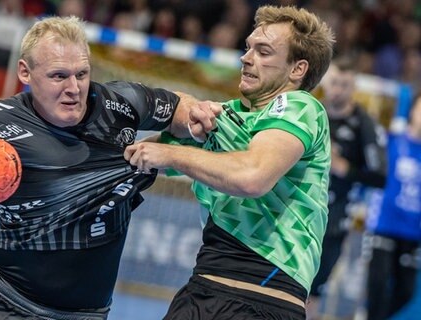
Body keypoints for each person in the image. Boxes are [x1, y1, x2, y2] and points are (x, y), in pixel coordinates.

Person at [0, 16, 217, 320]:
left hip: (81, 316)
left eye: (81, 74)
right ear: (25, 73)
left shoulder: (122, 103)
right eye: (58, 76)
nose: (73, 88)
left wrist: (195, 117)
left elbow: (178, 107)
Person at [124, 5, 335, 319]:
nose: (246, 58)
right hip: (201, 288)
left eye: (263, 52)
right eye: (248, 48)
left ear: (297, 69)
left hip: (263, 298)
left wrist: (172, 154)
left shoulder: (300, 107)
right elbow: (140, 155)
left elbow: (252, 177)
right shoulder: (226, 116)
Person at [307, 58, 387, 319]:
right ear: (325, 82)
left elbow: (381, 177)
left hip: (334, 221)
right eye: (334, 83)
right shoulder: (311, 111)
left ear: (353, 87)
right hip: (296, 210)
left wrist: (344, 168)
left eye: (345, 84)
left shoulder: (365, 125)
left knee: (314, 291)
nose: (338, 90)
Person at [364, 93, 421, 320]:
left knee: (406, 292)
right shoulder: (392, 140)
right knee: (377, 284)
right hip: (384, 226)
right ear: (413, 111)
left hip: (414, 233)